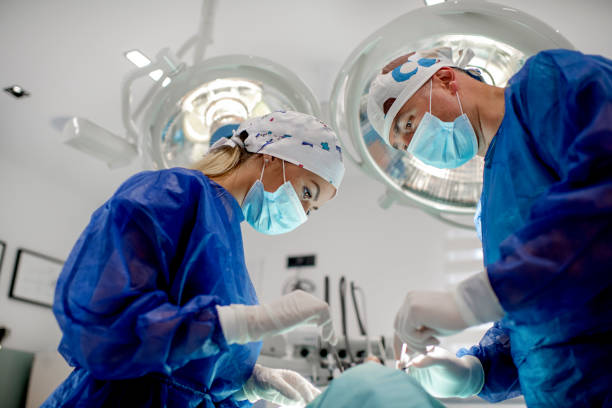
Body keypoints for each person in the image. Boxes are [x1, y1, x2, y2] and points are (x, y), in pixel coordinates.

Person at [42, 110, 346, 408]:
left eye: (312, 209)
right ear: (272, 155)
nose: (304, 213)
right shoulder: (173, 194)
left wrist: (245, 384)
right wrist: (242, 322)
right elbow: (104, 321)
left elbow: (195, 367)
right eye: (308, 192)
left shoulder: (226, 238)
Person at [367, 47, 612, 406]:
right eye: (404, 146)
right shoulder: (488, 206)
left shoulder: (546, 84)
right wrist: (473, 372)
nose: (415, 146)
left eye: (409, 124)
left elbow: (602, 193)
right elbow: (532, 323)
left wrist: (471, 300)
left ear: (446, 79)